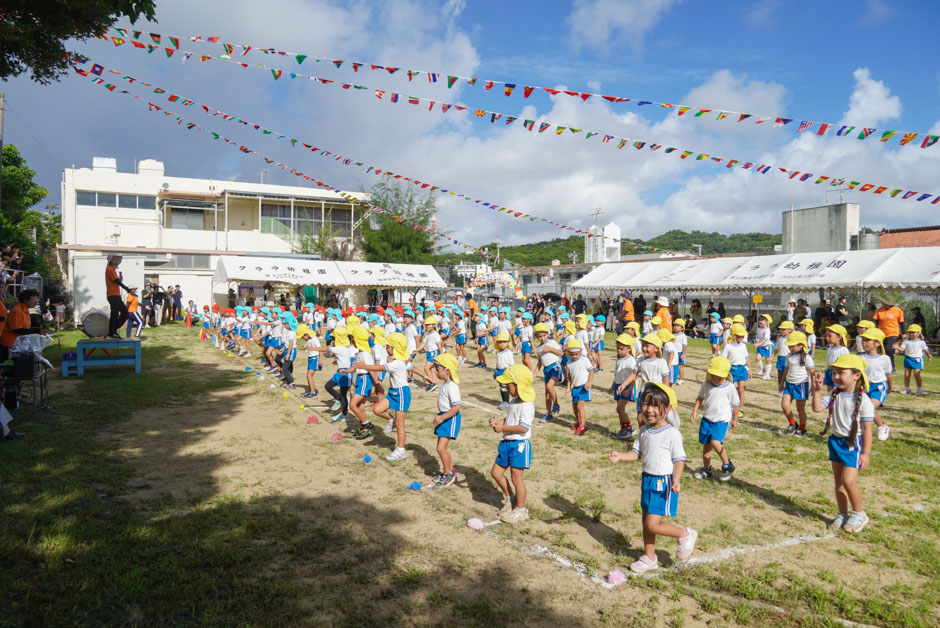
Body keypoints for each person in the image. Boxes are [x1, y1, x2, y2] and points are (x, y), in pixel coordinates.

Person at [608, 383, 696, 574]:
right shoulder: (644, 431)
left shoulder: (672, 433)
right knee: (645, 521)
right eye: (646, 404)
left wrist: (677, 479)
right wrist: (621, 456)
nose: (649, 410)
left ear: (668, 408)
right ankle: (649, 557)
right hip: (647, 480)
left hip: (662, 483)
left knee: (652, 523)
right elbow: (637, 453)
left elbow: (679, 459)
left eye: (655, 405)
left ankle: (685, 534)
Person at [811, 354, 874, 532]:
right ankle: (842, 513)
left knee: (848, 481)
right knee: (838, 482)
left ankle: (859, 513)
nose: (836, 376)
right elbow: (817, 408)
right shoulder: (834, 394)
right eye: (835, 372)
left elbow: (868, 430)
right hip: (835, 442)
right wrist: (816, 390)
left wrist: (865, 454)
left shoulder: (864, 401)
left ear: (856, 375)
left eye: (841, 372)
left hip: (853, 445)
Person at [490, 364, 536, 523]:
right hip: (507, 443)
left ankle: (521, 510)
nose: (506, 388)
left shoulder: (527, 405)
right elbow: (511, 420)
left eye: (508, 385)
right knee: (496, 473)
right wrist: (499, 423)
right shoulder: (515, 400)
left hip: (519, 445)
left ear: (518, 386)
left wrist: (503, 427)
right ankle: (510, 498)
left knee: (517, 479)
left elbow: (523, 427)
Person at [690, 356, 739, 481]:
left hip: (721, 420)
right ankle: (707, 469)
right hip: (707, 419)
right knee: (706, 445)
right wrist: (695, 411)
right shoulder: (706, 384)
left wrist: (735, 418)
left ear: (726, 375)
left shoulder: (730, 387)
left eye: (719, 376)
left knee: (715, 442)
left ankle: (727, 465)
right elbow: (700, 398)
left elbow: (735, 404)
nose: (716, 379)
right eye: (713, 375)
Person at [431, 353, 462, 488]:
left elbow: (457, 406)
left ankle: (449, 474)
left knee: (441, 448)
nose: (436, 371)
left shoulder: (452, 386)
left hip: (450, 418)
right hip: (444, 417)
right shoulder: (446, 384)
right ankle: (448, 471)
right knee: (441, 448)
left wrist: (442, 417)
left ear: (447, 370)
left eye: (438, 369)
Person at [859, 328, 892, 441]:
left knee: (868, 408)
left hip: (878, 387)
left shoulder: (884, 359)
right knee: (865, 409)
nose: (864, 342)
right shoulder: (860, 357)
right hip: (864, 387)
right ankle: (881, 425)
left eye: (867, 340)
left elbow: (888, 375)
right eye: (863, 339)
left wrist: (890, 387)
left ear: (877, 343)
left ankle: (880, 428)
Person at [780, 330, 814, 436]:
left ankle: (802, 428)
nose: (790, 348)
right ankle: (792, 423)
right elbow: (786, 369)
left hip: (801, 385)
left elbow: (812, 372)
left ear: (801, 345)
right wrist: (781, 383)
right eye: (789, 345)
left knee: (800, 409)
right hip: (789, 384)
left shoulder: (807, 358)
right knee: (785, 405)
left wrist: (813, 385)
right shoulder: (789, 356)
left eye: (793, 345)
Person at [611, 333, 638, 440]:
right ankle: (624, 428)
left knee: (620, 408)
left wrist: (630, 389)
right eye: (617, 348)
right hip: (618, 386)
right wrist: (612, 386)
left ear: (629, 349)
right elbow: (617, 374)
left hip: (627, 387)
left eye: (621, 349)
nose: (619, 351)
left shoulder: (631, 360)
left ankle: (629, 428)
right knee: (619, 409)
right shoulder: (619, 360)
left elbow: (634, 377)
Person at [534, 322, 563, 423]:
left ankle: (556, 404)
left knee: (549, 386)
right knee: (547, 393)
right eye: (539, 336)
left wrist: (550, 349)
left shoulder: (552, 343)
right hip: (546, 370)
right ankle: (548, 414)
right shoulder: (538, 348)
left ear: (548, 334)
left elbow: (561, 353)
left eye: (544, 335)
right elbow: (540, 361)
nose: (542, 338)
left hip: (555, 367)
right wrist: (535, 373)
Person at [565, 339, 594, 435]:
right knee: (574, 406)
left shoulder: (584, 360)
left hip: (583, 387)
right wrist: (568, 387)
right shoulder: (568, 363)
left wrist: (589, 382)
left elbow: (591, 371)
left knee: (580, 406)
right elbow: (569, 377)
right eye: (572, 354)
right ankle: (579, 422)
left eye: (576, 354)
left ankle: (583, 426)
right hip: (575, 387)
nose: (574, 356)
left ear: (581, 352)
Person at [721, 324, 751, 413]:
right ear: (734, 335)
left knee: (741, 389)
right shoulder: (728, 347)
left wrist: (749, 370)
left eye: (743, 336)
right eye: (741, 336)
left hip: (742, 369)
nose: (742, 337)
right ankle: (729, 406)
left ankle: (740, 408)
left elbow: (746, 358)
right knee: (731, 389)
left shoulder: (743, 346)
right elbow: (723, 359)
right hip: (732, 370)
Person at [1, 289, 42, 353]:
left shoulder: (25, 310)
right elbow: (17, 329)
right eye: (34, 299)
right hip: (10, 344)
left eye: (37, 299)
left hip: (17, 343)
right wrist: (37, 331)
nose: (36, 302)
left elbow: (25, 327)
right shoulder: (17, 310)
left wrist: (38, 330)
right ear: (25, 300)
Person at [897, 324, 931, 395]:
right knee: (906, 375)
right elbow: (902, 349)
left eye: (913, 332)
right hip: (907, 359)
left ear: (918, 333)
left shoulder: (921, 342)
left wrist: (929, 357)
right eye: (910, 332)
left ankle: (919, 389)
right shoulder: (906, 341)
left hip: (917, 360)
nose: (911, 334)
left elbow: (926, 350)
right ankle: (907, 389)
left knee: (916, 374)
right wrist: (897, 347)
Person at [872, 298, 904, 373]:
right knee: (880, 350)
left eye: (883, 302)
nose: (881, 303)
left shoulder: (897, 310)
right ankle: (881, 366)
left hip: (892, 333)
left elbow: (902, 322)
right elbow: (875, 321)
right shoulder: (879, 310)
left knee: (888, 349)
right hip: (881, 333)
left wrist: (903, 333)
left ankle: (892, 367)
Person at [105, 254, 132, 339]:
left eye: (118, 260)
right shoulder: (109, 269)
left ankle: (113, 331)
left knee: (124, 313)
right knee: (115, 314)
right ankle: (112, 332)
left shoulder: (112, 269)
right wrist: (127, 289)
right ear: (110, 260)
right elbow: (117, 281)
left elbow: (116, 281)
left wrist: (119, 280)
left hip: (115, 295)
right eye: (115, 259)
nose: (117, 262)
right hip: (113, 295)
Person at [823, 325, 851, 392]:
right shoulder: (829, 349)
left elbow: (846, 363)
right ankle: (830, 401)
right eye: (826, 336)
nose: (827, 338)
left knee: (836, 389)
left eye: (830, 336)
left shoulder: (843, 350)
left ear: (839, 337)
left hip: (837, 372)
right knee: (829, 390)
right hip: (829, 371)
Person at [754, 314, 774, 379]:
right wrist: (757, 343)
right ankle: (762, 369)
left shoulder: (767, 330)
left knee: (767, 360)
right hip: (760, 346)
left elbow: (765, 339)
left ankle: (767, 374)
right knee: (757, 358)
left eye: (762, 320)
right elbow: (758, 338)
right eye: (760, 320)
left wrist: (758, 344)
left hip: (767, 346)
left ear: (767, 322)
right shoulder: (758, 329)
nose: (760, 321)